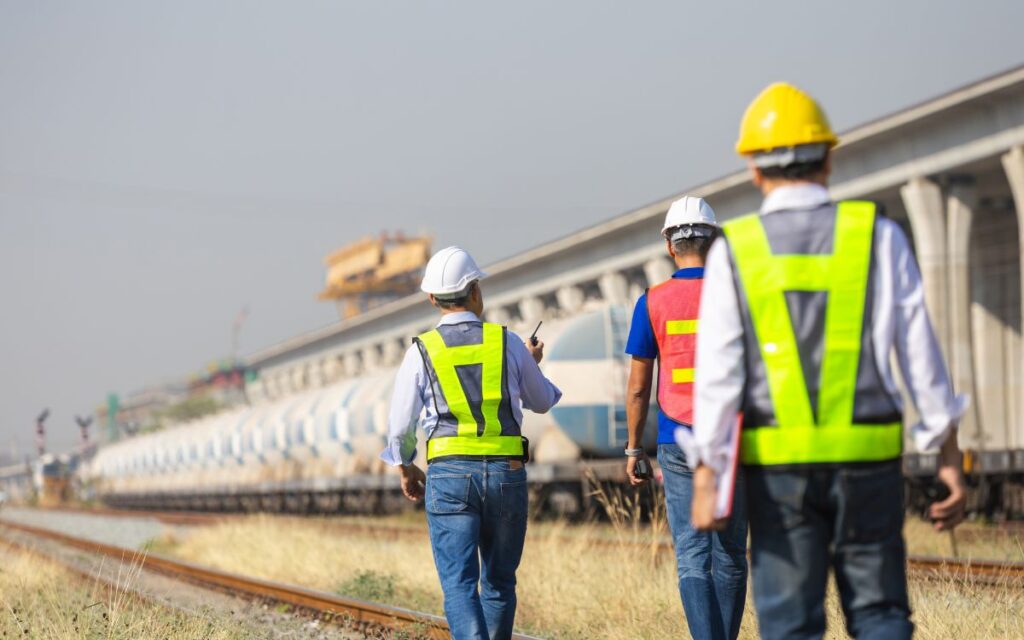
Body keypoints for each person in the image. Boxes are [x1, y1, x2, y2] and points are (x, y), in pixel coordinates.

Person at [689, 82, 969, 640]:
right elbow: (921, 358)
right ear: (829, 158)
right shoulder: (879, 237)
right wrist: (947, 453)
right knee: (881, 615)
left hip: (779, 471)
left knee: (790, 625)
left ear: (752, 168)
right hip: (868, 463)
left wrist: (708, 472)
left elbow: (719, 375)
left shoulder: (735, 252)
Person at [381, 245, 562, 640]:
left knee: (460, 586)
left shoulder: (421, 352)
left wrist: (406, 466)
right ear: (475, 291)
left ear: (432, 298)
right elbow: (542, 401)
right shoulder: (509, 342)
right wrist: (530, 363)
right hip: (505, 474)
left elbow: (399, 427)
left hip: (448, 478)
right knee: (499, 582)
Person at [623, 196, 748, 640]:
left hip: (678, 438)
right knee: (731, 551)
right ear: (715, 243)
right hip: (733, 436)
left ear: (669, 247)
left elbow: (639, 386)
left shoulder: (652, 301)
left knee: (693, 555)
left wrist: (634, 447)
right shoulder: (739, 292)